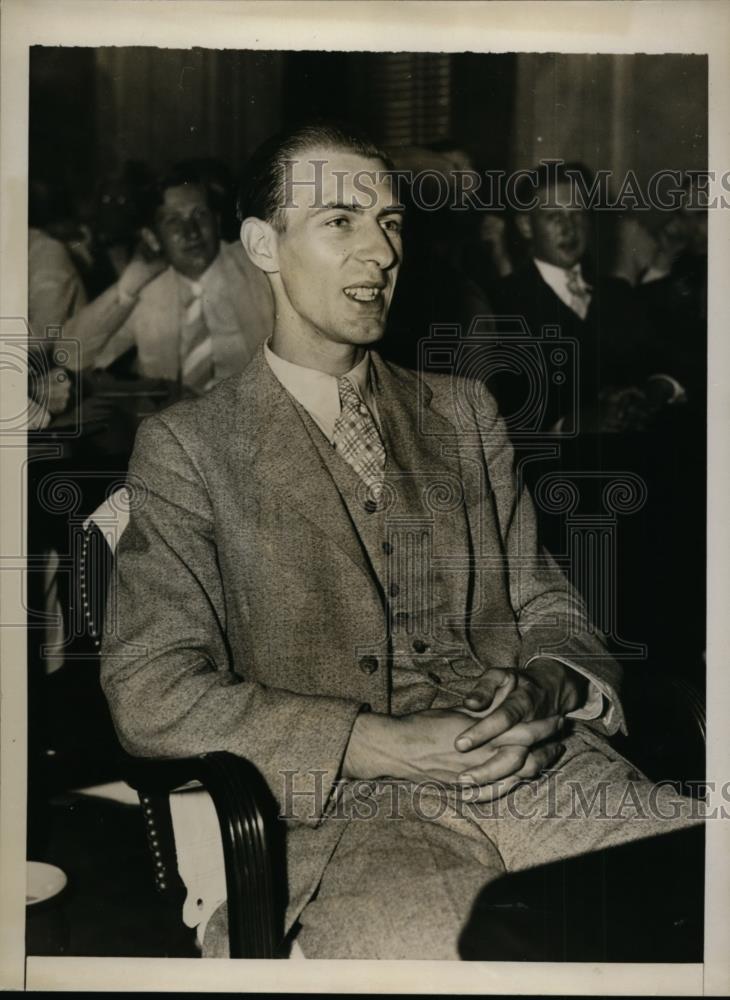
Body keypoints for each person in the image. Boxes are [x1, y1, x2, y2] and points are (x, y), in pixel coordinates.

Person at [101, 124, 700, 961]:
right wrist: (373, 743)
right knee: (441, 955)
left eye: (390, 223)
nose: (380, 252)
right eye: (340, 221)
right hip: (348, 815)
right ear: (262, 246)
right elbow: (150, 686)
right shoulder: (190, 447)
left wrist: (544, 686)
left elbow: (545, 599)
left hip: (537, 767)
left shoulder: (461, 412)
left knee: (697, 886)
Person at [86, 163, 274, 394]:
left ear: (216, 221)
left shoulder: (259, 265)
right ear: (152, 235)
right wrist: (128, 285)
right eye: (173, 221)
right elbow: (74, 355)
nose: (191, 232)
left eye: (200, 215)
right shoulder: (148, 288)